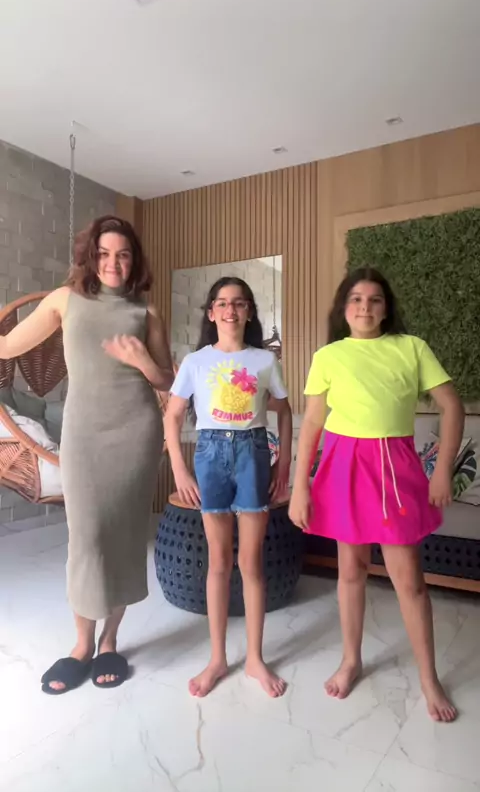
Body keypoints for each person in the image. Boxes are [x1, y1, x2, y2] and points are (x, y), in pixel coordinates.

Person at [0, 215, 174, 694]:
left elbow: (167, 380)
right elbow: (8, 346)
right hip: (83, 435)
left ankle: (109, 642)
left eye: (123, 254)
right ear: (90, 258)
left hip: (136, 434)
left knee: (123, 537)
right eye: (104, 254)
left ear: (134, 260)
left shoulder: (146, 310)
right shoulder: (64, 299)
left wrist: (143, 361)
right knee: (87, 538)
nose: (113, 263)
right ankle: (81, 646)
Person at [289, 267, 464, 723]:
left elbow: (452, 405)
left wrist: (442, 471)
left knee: (410, 581)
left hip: (393, 467)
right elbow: (313, 422)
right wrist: (300, 484)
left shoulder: (411, 347)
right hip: (342, 465)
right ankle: (351, 660)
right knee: (351, 570)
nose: (364, 307)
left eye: (374, 300)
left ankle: (428, 678)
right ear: (343, 308)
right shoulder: (328, 355)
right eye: (356, 299)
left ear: (386, 309)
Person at [164, 277, 292, 698]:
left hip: (253, 453)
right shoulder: (195, 362)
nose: (230, 310)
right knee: (218, 562)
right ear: (211, 312)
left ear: (249, 311)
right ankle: (217, 659)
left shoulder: (264, 360)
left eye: (239, 303)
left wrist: (283, 465)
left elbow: (284, 411)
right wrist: (179, 470)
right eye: (222, 303)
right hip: (209, 454)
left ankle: (254, 658)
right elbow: (173, 415)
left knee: (250, 563)